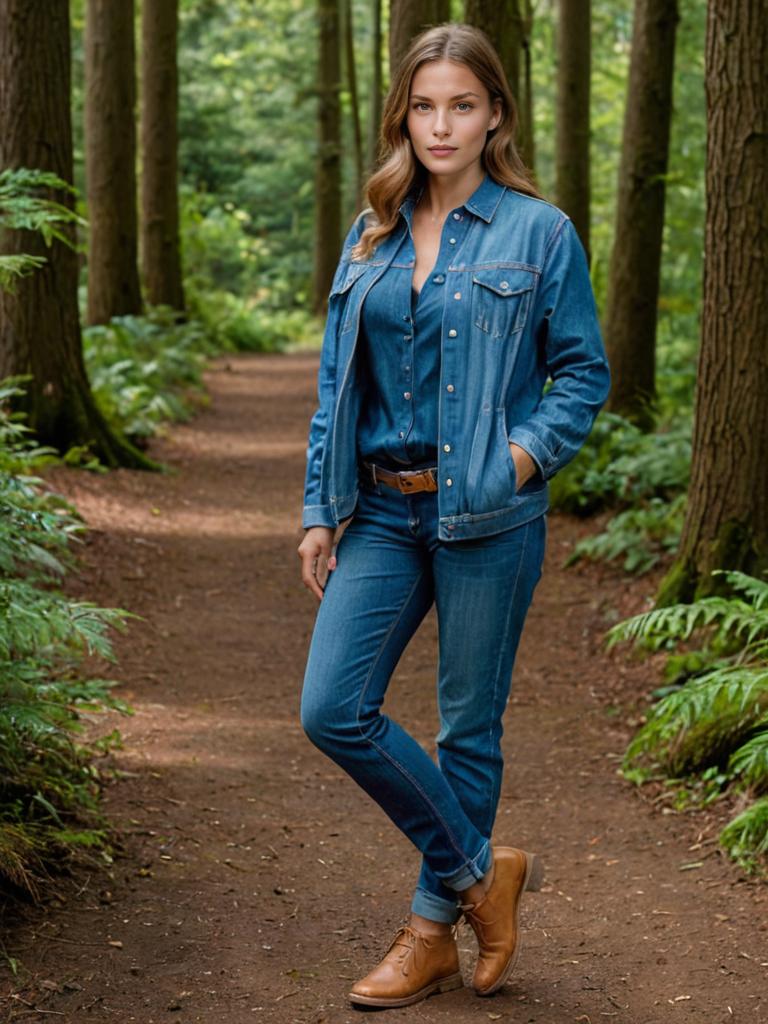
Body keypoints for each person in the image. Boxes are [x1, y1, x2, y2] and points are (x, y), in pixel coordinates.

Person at [296, 22, 610, 1010]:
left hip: (490, 516)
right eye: (425, 105)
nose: (443, 124)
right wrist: (320, 506)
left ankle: (431, 934)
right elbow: (333, 381)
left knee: (469, 727)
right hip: (383, 513)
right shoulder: (374, 228)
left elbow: (582, 373)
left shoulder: (538, 231)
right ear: (405, 114)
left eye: (462, 105)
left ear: (495, 115)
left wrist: (519, 456)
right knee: (331, 709)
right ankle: (484, 874)